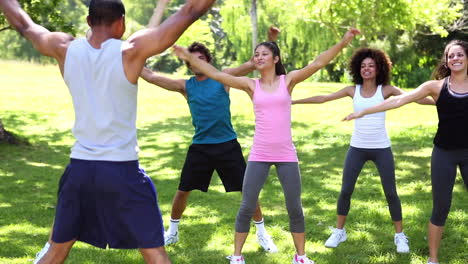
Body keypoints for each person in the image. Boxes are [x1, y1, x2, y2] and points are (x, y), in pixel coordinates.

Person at [0, 0, 215, 263]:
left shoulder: (64, 48)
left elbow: (23, 23)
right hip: (122, 171)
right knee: (155, 252)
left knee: (56, 250)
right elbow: (191, 10)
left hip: (80, 171)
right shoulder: (131, 51)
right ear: (122, 23)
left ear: (89, 21)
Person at [173, 28, 361, 264]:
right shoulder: (250, 84)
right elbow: (216, 74)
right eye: (256, 54)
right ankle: (237, 257)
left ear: (275, 59)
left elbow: (318, 62)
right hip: (259, 153)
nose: (259, 57)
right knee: (246, 205)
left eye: (264, 54)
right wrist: (189, 57)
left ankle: (300, 257)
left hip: (286, 154)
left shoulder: (288, 80)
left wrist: (344, 41)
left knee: (295, 207)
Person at [140, 27, 281, 253]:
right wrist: (130, 56)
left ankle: (262, 233)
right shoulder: (186, 85)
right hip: (201, 147)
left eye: (201, 59)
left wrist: (271, 40)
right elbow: (150, 76)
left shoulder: (222, 78)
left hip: (227, 145)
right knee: (183, 190)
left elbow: (252, 63)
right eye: (192, 60)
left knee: (248, 191)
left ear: (208, 61)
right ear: (188, 64)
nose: (197, 63)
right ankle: (172, 232)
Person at [293, 47, 434, 253]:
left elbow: (415, 97)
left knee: (391, 192)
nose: (366, 69)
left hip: (381, 148)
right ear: (358, 69)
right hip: (357, 148)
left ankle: (399, 235)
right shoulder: (353, 90)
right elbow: (324, 98)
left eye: (371, 66)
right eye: (363, 66)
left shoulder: (386, 90)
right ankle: (339, 231)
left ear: (378, 68)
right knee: (345, 190)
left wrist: (440, 100)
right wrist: (295, 101)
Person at [343, 40, 468, 264]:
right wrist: (364, 111)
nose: (455, 59)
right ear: (446, 62)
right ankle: (433, 259)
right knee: (441, 207)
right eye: (451, 56)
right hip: (444, 154)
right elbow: (399, 100)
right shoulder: (436, 86)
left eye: (460, 54)